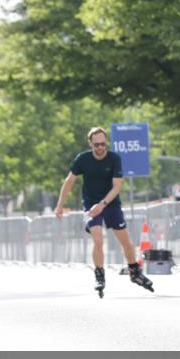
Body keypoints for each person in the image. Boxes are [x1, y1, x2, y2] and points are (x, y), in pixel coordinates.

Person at [55, 126, 154, 298]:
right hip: (90, 205)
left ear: (106, 142)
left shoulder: (114, 158)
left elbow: (117, 186)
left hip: (111, 204)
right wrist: (60, 205)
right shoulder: (82, 159)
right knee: (98, 239)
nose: (100, 148)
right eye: (96, 145)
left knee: (126, 242)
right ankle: (99, 275)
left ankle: (134, 272)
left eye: (103, 144)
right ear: (90, 144)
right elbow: (69, 181)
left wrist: (102, 204)